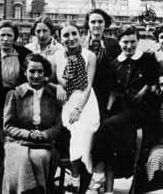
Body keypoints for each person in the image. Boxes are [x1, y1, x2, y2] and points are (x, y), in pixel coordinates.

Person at [87, 25, 159, 194]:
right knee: (103, 125)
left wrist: (145, 89)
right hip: (121, 112)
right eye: (125, 42)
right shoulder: (115, 63)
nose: (129, 46)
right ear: (119, 42)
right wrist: (107, 111)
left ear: (138, 41)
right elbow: (112, 92)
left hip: (140, 112)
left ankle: (97, 174)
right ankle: (105, 182)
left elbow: (153, 82)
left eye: (133, 42)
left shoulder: (147, 59)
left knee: (107, 126)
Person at [0, 20, 32, 193]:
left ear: (15, 37)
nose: (6, 39)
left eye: (10, 35)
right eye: (2, 35)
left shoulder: (25, 55)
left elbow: (34, 79)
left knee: (7, 136)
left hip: (21, 102)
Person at [2, 53, 62, 194]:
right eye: (31, 71)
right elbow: (8, 126)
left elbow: (57, 125)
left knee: (40, 156)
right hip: (17, 142)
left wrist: (44, 134)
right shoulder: (15, 94)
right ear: (25, 72)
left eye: (40, 71)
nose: (36, 75)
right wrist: (28, 134)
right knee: (21, 158)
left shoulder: (52, 96)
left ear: (45, 73)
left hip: (44, 143)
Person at [53, 21, 100, 194]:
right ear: (60, 38)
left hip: (86, 103)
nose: (71, 38)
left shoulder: (89, 56)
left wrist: (78, 109)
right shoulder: (57, 57)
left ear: (80, 35)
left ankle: (77, 178)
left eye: (74, 33)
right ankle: (79, 178)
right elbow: (51, 80)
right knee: (76, 131)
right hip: (67, 102)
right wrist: (58, 87)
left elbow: (88, 86)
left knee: (83, 131)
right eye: (66, 35)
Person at [81, 9, 121, 119]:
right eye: (93, 22)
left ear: (105, 24)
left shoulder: (114, 44)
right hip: (84, 96)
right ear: (88, 24)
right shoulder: (79, 44)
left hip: (106, 98)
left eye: (100, 21)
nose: (97, 25)